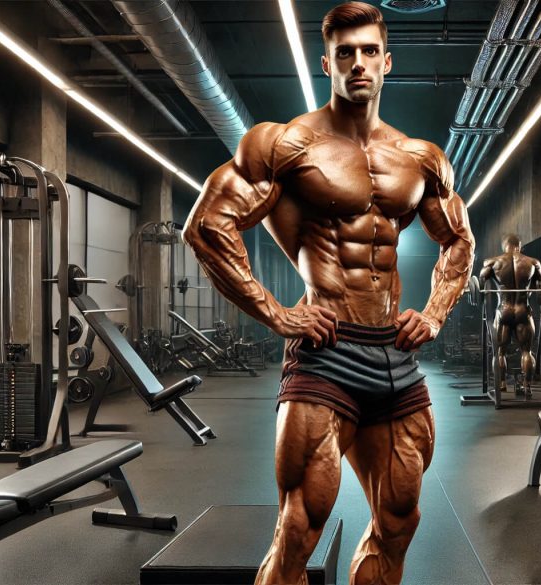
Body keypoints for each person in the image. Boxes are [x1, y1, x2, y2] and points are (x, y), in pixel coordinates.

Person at [182, 3, 475, 584]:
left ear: (387, 61)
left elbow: (459, 240)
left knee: (399, 520)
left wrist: (437, 313)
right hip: (327, 353)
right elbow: (208, 225)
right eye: (346, 53)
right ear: (327, 64)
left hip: (395, 357)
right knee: (299, 527)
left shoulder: (420, 158)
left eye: (369, 51)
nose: (358, 63)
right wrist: (277, 315)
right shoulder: (286, 145)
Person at [478, 234, 541, 395]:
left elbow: (480, 282)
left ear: (504, 246)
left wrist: (480, 299)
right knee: (526, 351)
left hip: (504, 310)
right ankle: (527, 385)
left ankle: (501, 384)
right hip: (523, 310)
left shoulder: (492, 262)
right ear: (519, 246)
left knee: (499, 352)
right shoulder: (533, 262)